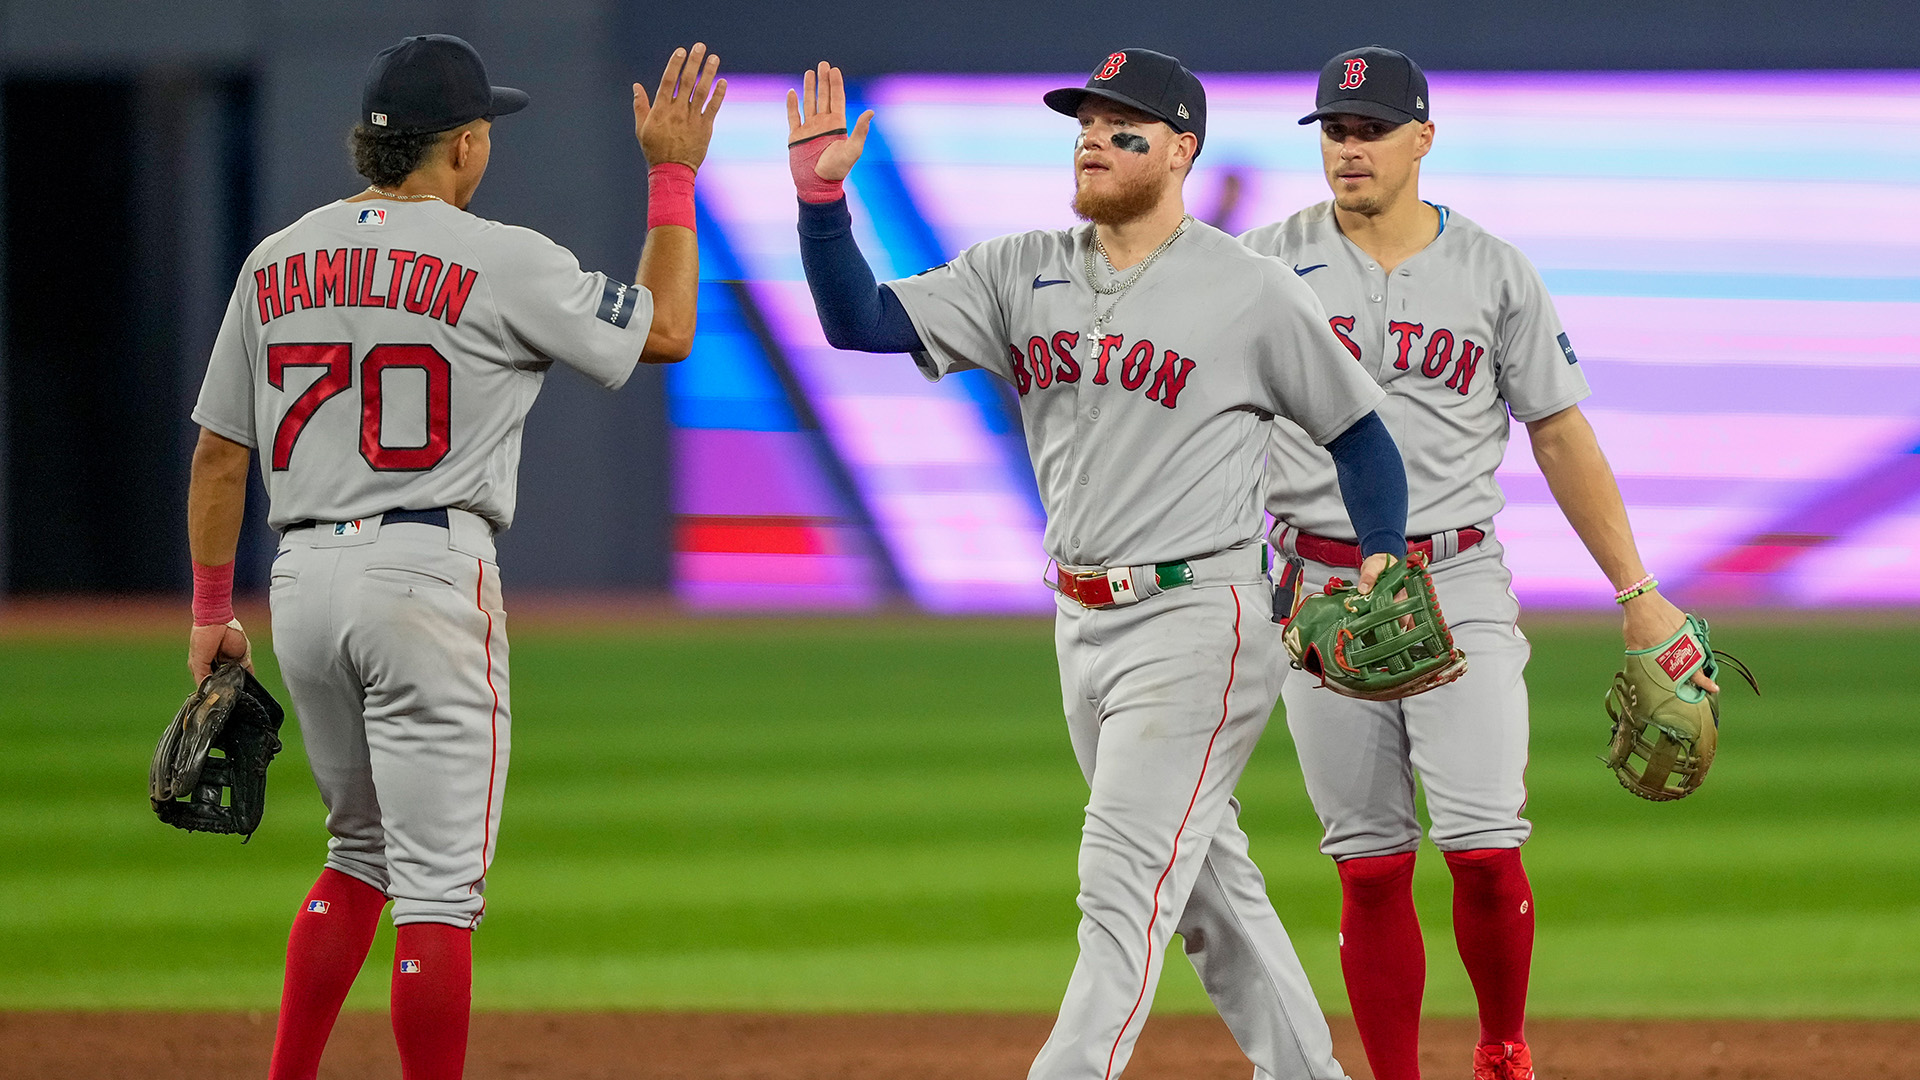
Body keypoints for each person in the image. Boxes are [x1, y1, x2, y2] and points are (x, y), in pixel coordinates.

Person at [784, 48, 1408, 1080]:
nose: (1093, 141)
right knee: (1207, 893)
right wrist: (820, 204)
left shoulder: (1248, 289)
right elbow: (862, 322)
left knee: (1121, 885)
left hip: (1199, 618)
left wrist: (1382, 557)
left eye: (1123, 130)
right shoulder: (1017, 268)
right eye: (1084, 124)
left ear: (1180, 152)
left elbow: (1360, 434)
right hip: (1079, 621)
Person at [183, 34, 724, 1079]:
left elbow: (217, 452)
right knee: (437, 890)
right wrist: (671, 172)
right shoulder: (499, 255)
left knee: (356, 855)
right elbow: (665, 330)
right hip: (426, 576)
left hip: (300, 582)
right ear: (466, 146)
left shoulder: (274, 258)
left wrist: (211, 610)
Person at [1240, 46, 1716, 1080]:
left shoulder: (1494, 270)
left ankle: (1503, 1048)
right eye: (1334, 130)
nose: (1349, 149)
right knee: (1367, 868)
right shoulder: (1262, 265)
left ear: (1423, 139)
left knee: (1486, 849)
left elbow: (1559, 431)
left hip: (1455, 579)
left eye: (1369, 130)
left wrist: (1637, 594)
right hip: (1316, 589)